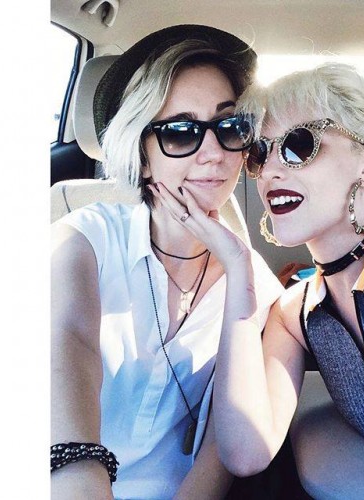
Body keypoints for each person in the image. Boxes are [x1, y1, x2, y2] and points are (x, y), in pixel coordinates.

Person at [156, 62, 364, 498]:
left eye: (300, 144)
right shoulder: (294, 313)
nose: (269, 172)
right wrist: (237, 266)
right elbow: (246, 453)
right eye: (260, 154)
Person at [51, 25, 283, 500]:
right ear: (142, 155)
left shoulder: (255, 287)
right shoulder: (82, 241)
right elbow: (67, 344)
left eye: (230, 127)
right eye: (180, 132)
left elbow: (221, 447)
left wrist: (239, 264)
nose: (214, 154)